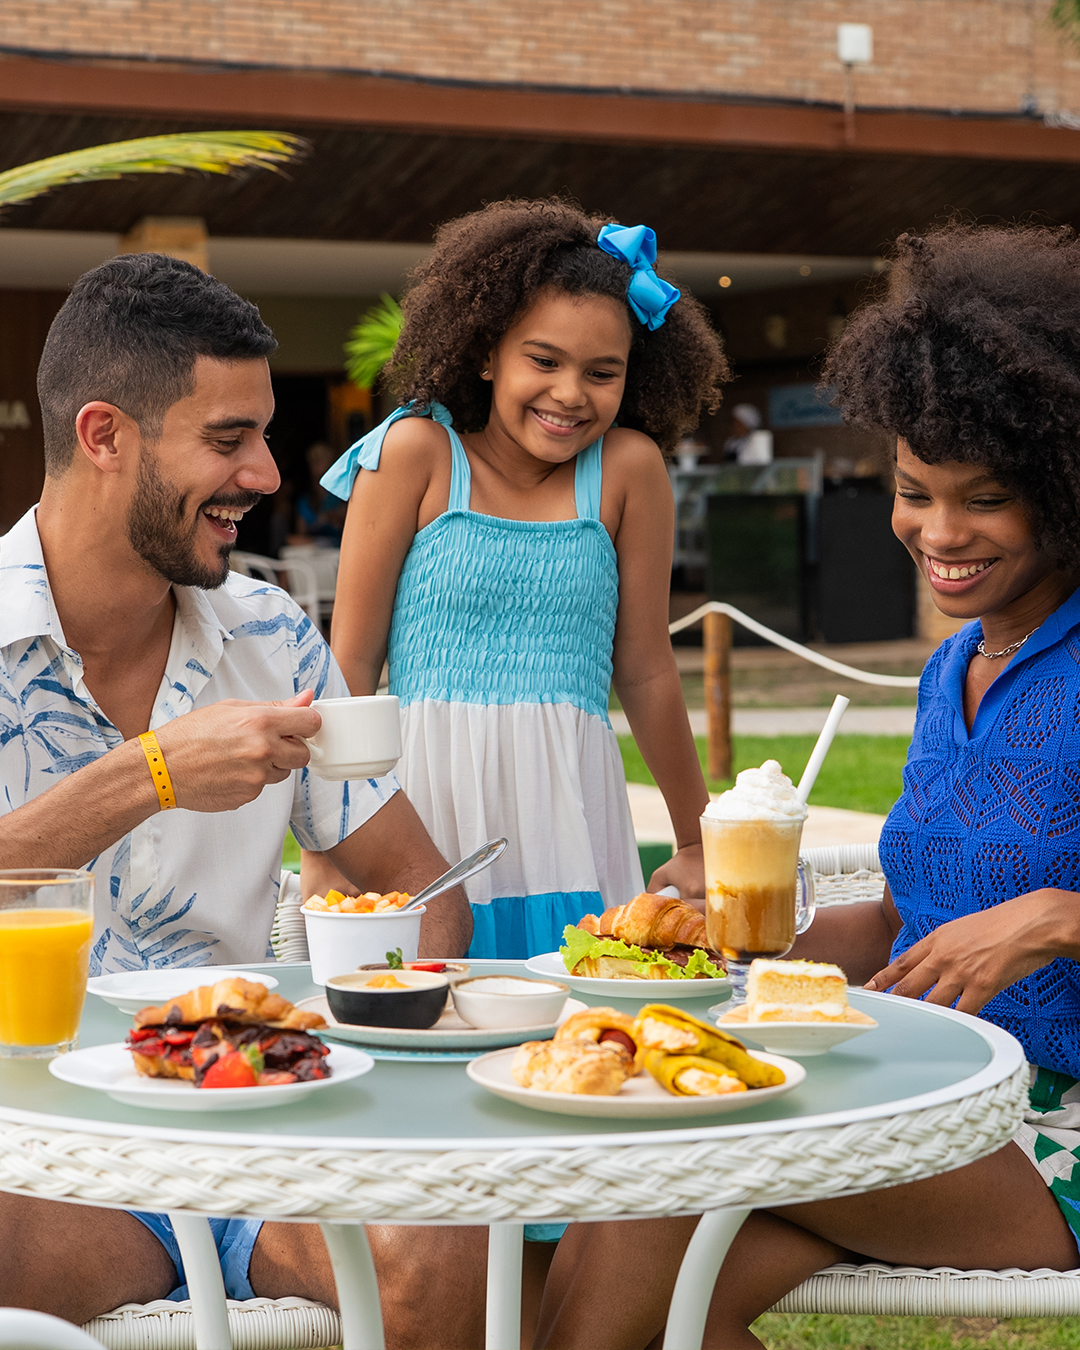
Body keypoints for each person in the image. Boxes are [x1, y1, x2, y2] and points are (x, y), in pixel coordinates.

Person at [533, 223, 1080, 1348]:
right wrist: (741, 946)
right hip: (940, 1086)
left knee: (670, 1158)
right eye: (915, 490)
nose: (938, 533)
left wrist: (1055, 918)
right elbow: (908, 916)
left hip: (1057, 1128)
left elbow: (1010, 923)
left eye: (982, 500)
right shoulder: (952, 669)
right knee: (648, 1274)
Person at [0, 252, 474, 1341]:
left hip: (259, 1120)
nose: (266, 473)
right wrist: (152, 773)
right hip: (39, 1144)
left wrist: (364, 1029)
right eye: (228, 440)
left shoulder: (274, 637)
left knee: (444, 1247)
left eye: (261, 436)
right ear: (104, 435)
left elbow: (420, 883)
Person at [312, 198, 729, 960]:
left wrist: (698, 839)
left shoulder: (630, 472)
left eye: (602, 373)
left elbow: (645, 669)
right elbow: (350, 665)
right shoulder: (416, 454)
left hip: (566, 812)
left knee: (569, 1028)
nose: (571, 393)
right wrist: (323, 844)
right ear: (485, 353)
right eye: (544, 360)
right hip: (423, 813)